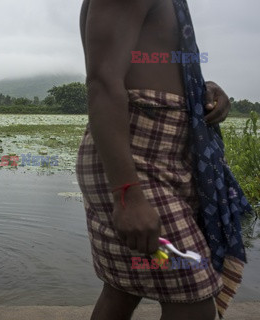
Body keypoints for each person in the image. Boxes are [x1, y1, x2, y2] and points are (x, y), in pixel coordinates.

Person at [76, 0, 252, 319]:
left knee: (123, 289)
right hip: (133, 159)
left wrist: (203, 91)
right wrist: (127, 194)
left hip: (168, 157)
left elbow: (153, 69)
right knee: (194, 295)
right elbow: (102, 81)